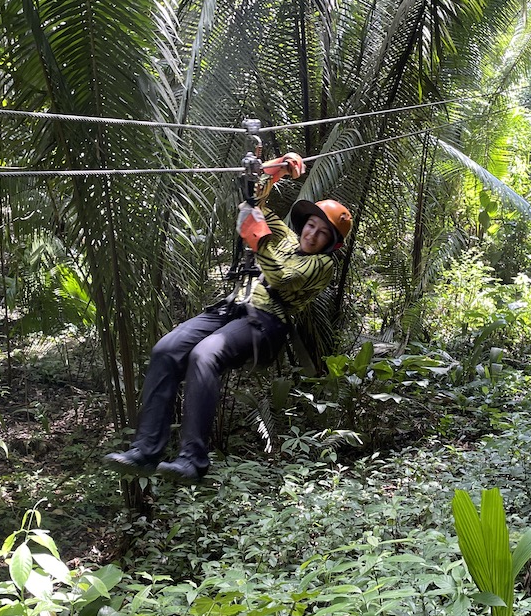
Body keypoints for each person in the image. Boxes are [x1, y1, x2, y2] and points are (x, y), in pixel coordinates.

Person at [105, 153, 353, 483]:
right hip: (232, 309)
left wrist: (257, 238)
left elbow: (281, 277)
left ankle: (192, 459)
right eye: (311, 225)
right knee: (166, 350)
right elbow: (255, 204)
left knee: (204, 355)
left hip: (266, 325)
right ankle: (145, 450)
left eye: (322, 233)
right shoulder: (286, 237)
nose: (312, 234)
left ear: (330, 244)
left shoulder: (322, 266)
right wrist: (273, 171)